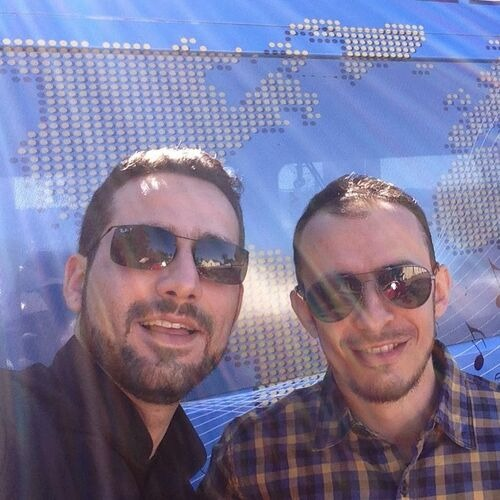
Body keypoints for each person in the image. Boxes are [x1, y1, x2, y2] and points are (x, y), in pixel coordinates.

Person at [199, 174, 500, 498]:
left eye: (401, 282)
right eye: (336, 294)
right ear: (306, 313)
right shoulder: (249, 461)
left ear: (439, 292)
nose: (373, 319)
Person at [0, 147, 249, 499]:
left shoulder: (184, 481)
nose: (185, 283)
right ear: (77, 283)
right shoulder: (13, 430)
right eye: (144, 248)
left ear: (236, 307)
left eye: (218, 260)